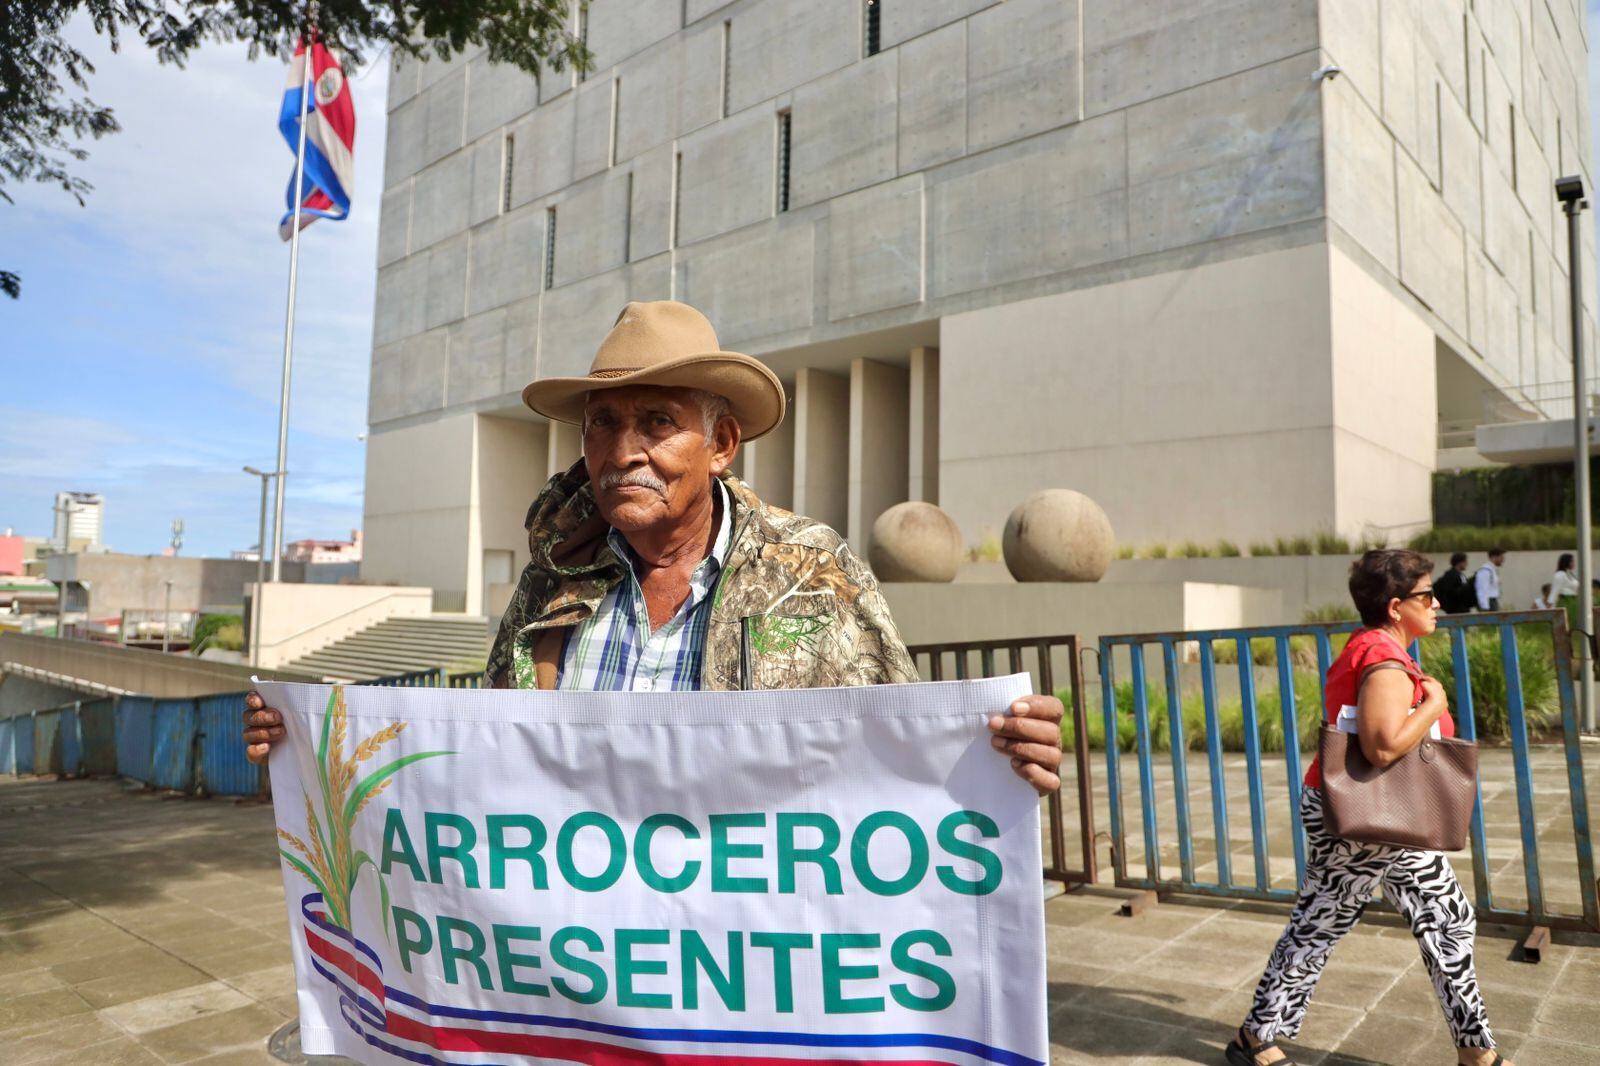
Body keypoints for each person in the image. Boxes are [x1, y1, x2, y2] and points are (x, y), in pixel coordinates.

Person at [243, 300, 1065, 794]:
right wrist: (313, 750)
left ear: (721, 444)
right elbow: (476, 766)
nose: (622, 449)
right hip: (579, 979)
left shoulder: (812, 576)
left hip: (745, 982)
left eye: (658, 422)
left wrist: (995, 757)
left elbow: (902, 754)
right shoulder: (547, 590)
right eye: (603, 422)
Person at [1226, 549, 1507, 1066]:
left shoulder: (1373, 647)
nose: (1438, 602)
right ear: (1397, 606)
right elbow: (1381, 747)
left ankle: (1476, 1051)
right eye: (1427, 595)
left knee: (1445, 919)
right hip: (1369, 817)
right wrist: (1435, 706)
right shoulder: (1383, 659)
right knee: (1323, 922)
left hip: (1383, 814)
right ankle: (1255, 1037)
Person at [1549, 552, 1580, 631]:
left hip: (1573, 600)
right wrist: (1551, 605)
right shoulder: (1560, 574)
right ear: (1566, 562)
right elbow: (1555, 590)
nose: (1574, 563)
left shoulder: (1570, 574)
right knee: (1567, 624)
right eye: (1571, 561)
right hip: (1565, 600)